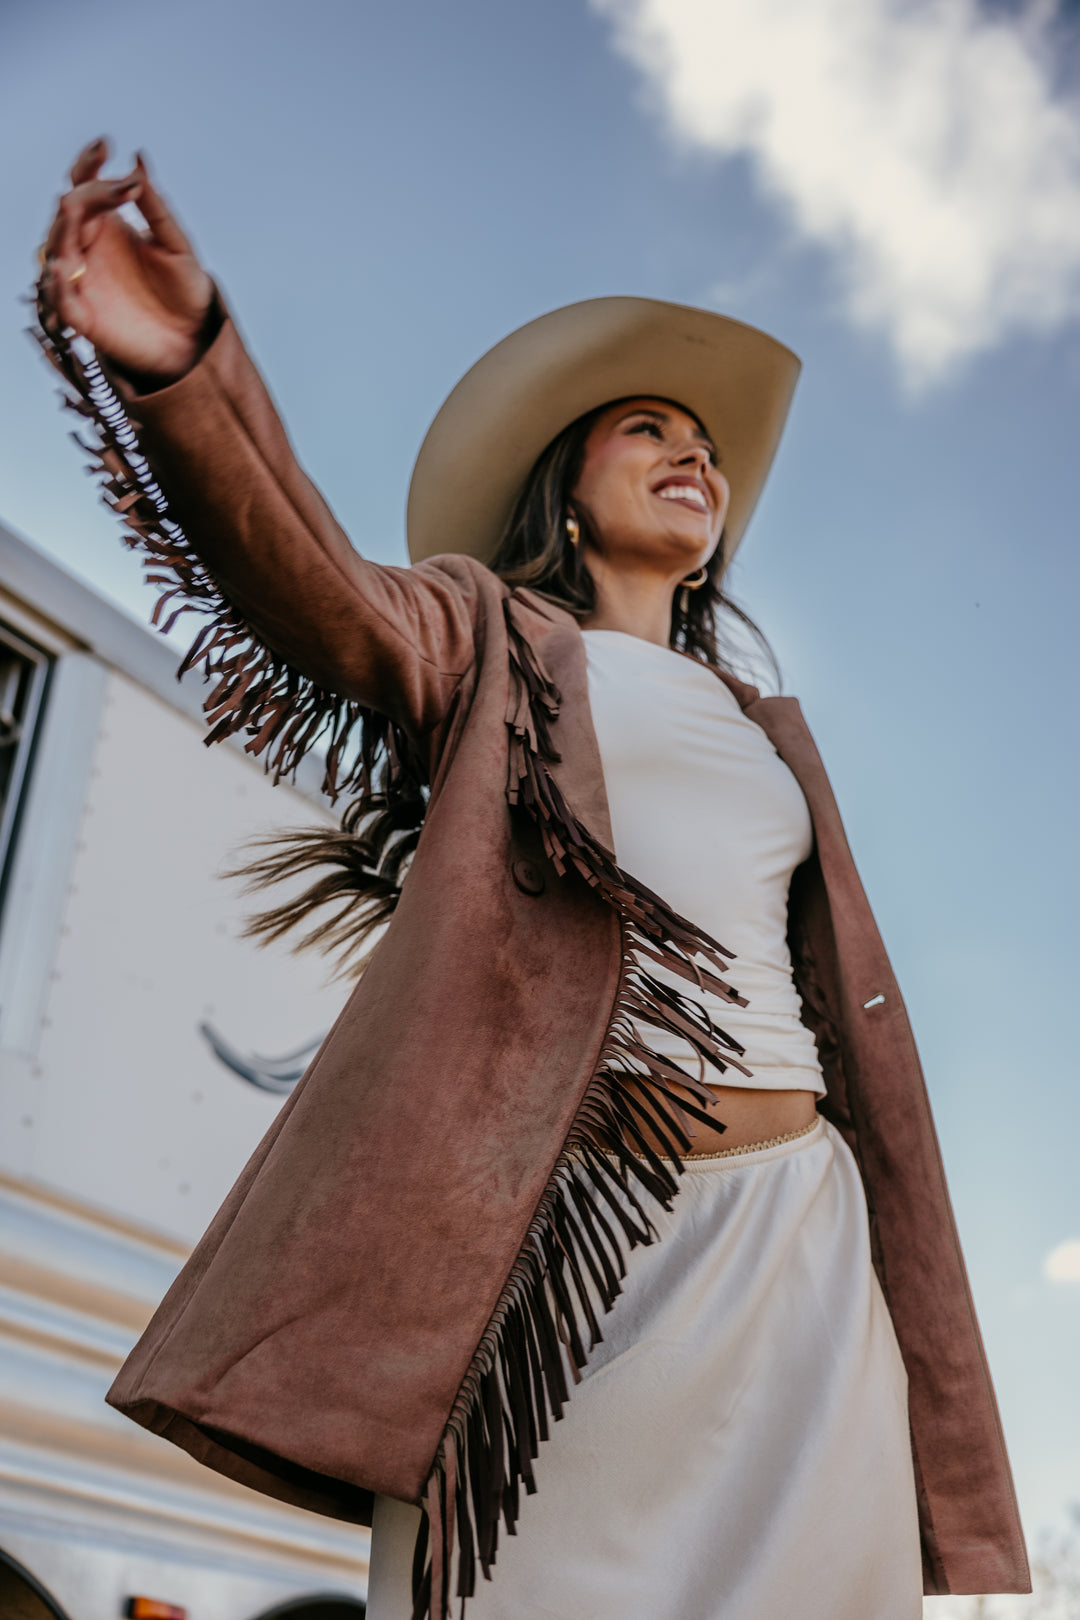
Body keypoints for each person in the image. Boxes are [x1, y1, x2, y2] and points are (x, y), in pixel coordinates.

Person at [35, 139, 1029, 1620]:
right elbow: (309, 582)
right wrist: (187, 368)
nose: (696, 457)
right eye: (649, 429)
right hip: (565, 1256)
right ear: (568, 489)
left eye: (710, 448)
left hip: (800, 1247)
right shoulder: (489, 639)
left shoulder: (766, 730)